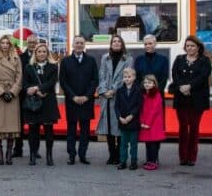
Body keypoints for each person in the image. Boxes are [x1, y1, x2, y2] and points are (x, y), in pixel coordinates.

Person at [169, 35, 211, 166]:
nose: (190, 48)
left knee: (193, 127)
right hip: (181, 98)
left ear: (198, 47)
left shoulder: (204, 61)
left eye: (192, 46)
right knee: (182, 127)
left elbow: (203, 76)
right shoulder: (179, 59)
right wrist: (182, 87)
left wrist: (190, 86)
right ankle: (183, 156)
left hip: (197, 99)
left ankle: (192, 156)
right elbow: (175, 75)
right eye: (187, 46)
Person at [59, 35, 98, 165]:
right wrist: (73, 96)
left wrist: (87, 96)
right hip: (72, 101)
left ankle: (83, 155)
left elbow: (95, 80)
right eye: (77, 43)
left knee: (85, 130)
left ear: (84, 45)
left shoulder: (91, 61)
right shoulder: (65, 61)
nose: (79, 45)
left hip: (87, 101)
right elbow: (63, 81)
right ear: (72, 44)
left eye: (81, 43)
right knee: (71, 130)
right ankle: (71, 155)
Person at [96, 35, 132, 166]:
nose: (116, 43)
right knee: (109, 127)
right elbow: (102, 75)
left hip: (120, 96)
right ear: (111, 44)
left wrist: (113, 90)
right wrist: (105, 91)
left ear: (122, 44)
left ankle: (119, 154)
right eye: (114, 41)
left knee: (119, 127)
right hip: (107, 97)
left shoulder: (128, 58)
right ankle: (112, 155)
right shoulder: (105, 57)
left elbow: (125, 77)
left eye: (119, 41)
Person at [22, 43, 59, 166]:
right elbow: (25, 84)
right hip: (34, 102)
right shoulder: (28, 67)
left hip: (48, 102)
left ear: (47, 53)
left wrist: (38, 88)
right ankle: (32, 155)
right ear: (35, 53)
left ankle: (49, 156)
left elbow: (51, 82)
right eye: (39, 51)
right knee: (33, 130)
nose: (42, 53)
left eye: (44, 51)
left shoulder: (53, 67)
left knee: (49, 131)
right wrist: (36, 91)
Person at [0, 35, 22, 165]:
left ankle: (9, 153)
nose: (4, 45)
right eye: (2, 43)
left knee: (11, 125)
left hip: (13, 94)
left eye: (7, 43)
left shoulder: (16, 58)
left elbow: (20, 77)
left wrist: (13, 92)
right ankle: (0, 153)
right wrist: (2, 93)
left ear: (10, 45)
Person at [13, 34, 39, 159]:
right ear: (27, 43)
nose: (32, 45)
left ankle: (35, 150)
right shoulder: (20, 58)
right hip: (22, 95)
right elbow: (18, 76)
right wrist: (26, 88)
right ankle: (18, 149)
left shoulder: (41, 56)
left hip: (38, 95)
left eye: (35, 42)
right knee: (20, 123)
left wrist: (36, 90)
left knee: (35, 125)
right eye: (30, 42)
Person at [114, 68, 141, 170]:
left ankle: (133, 162)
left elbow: (138, 105)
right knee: (123, 144)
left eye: (129, 77)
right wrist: (119, 117)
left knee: (133, 144)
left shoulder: (138, 90)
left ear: (134, 78)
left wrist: (131, 116)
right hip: (123, 121)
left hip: (133, 121)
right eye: (125, 77)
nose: (127, 79)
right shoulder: (120, 90)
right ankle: (123, 162)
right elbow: (116, 106)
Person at [139, 75, 166, 170]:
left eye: (150, 83)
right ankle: (149, 160)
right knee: (148, 143)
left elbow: (154, 110)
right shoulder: (142, 94)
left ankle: (153, 161)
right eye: (145, 83)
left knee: (154, 143)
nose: (147, 84)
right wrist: (142, 121)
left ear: (154, 84)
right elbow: (140, 109)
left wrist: (148, 123)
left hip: (154, 123)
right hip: (145, 123)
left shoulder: (157, 94)